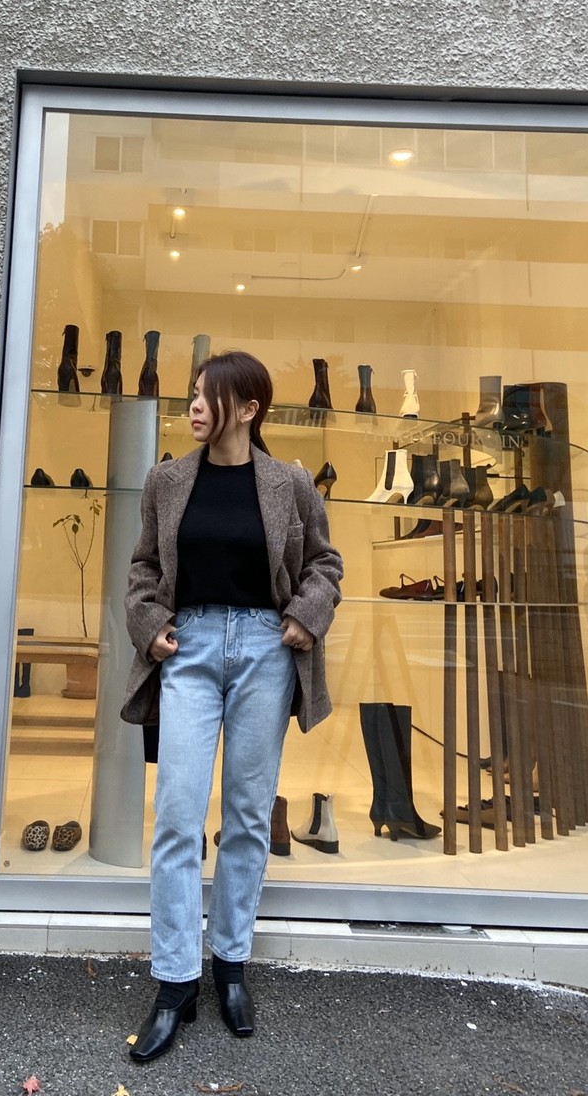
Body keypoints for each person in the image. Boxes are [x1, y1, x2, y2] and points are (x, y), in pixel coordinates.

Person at [122, 350, 343, 1063]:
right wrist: (149, 624)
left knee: (248, 814)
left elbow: (325, 564)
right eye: (191, 394)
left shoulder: (290, 482)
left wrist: (305, 615)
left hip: (263, 650)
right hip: (187, 650)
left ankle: (231, 965)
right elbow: (144, 567)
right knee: (178, 816)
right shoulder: (166, 480)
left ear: (248, 409)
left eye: (206, 395)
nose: (193, 406)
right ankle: (174, 983)